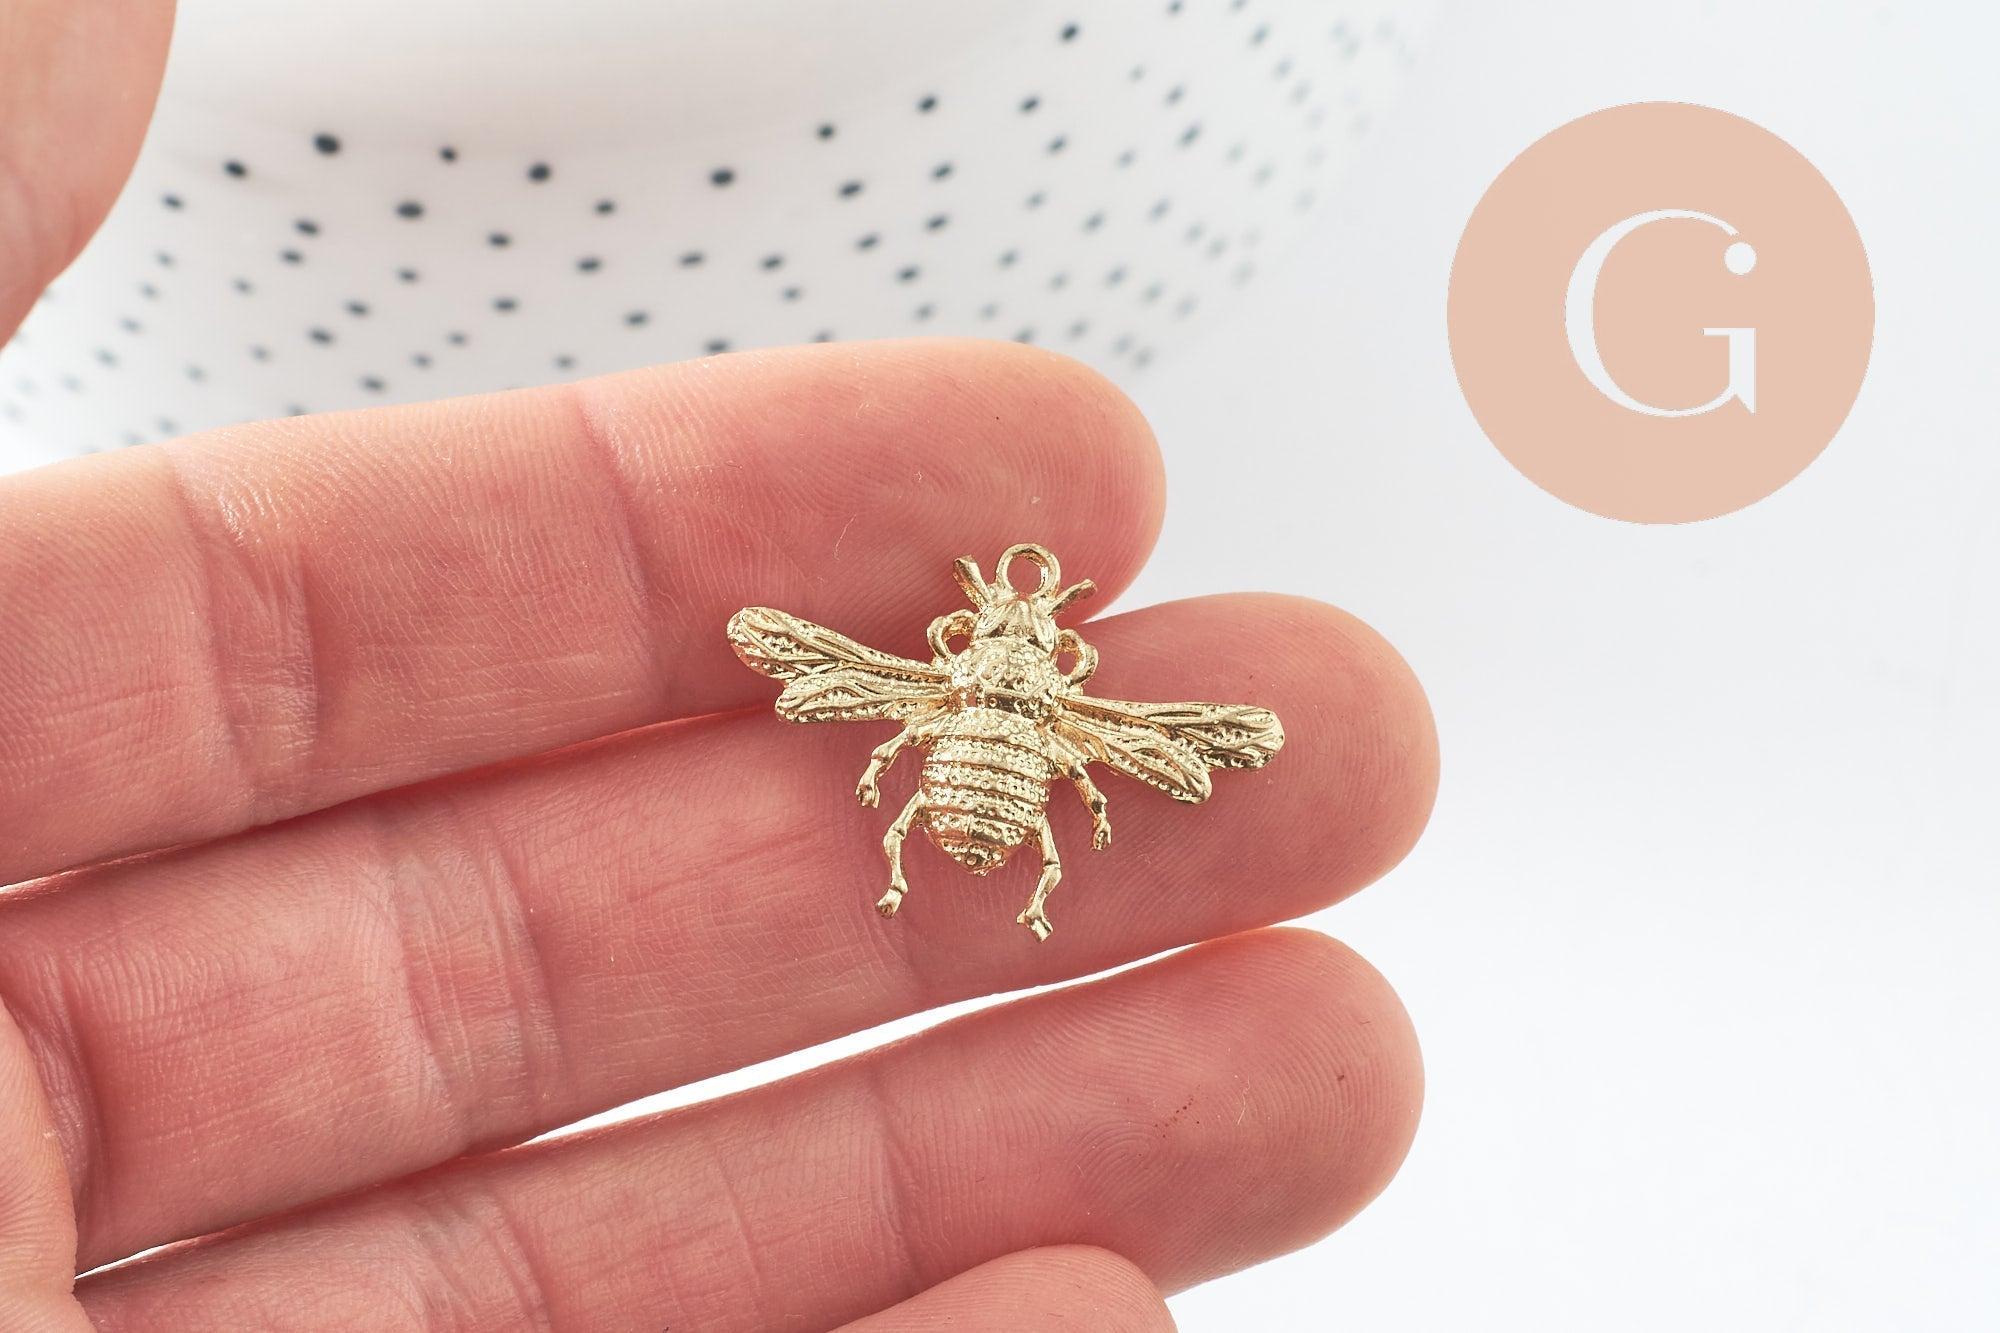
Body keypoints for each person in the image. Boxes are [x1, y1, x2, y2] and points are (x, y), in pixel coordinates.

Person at [0, 7, 1437, 1328]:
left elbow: (886, 710)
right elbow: (866, 695)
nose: (1000, 638)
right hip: (990, 784)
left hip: (968, 783)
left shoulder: (947, 696)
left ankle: (963, 873)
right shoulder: (1006, 701)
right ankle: (995, 879)